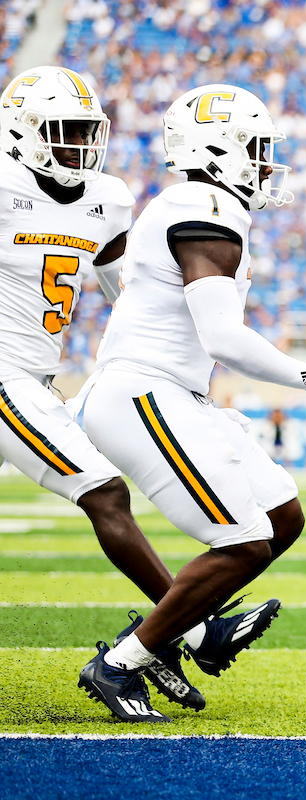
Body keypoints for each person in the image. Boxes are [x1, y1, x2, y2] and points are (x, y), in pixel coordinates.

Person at [75, 84, 306, 722]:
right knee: (244, 542)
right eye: (257, 150)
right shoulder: (205, 206)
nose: (266, 164)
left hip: (170, 391)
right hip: (142, 393)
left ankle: (183, 627)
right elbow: (223, 337)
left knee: (280, 517)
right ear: (219, 150)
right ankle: (125, 660)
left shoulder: (196, 204)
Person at [0, 66, 207, 710]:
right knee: (106, 490)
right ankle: (189, 628)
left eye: (87, 132)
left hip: (36, 377)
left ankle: (170, 634)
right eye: (63, 133)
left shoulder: (108, 199)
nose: (78, 147)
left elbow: (128, 297)